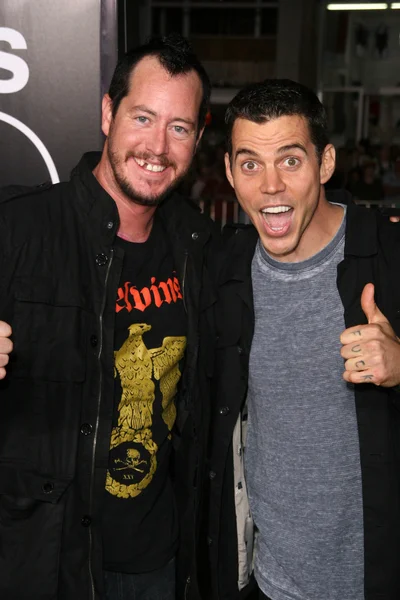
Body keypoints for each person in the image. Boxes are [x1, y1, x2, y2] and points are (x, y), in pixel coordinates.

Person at [0, 34, 218, 600]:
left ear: (197, 137)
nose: (158, 146)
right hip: (40, 562)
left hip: (155, 566)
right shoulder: (18, 229)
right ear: (107, 113)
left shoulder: (202, 249)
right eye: (143, 117)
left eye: (179, 127)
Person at [207, 79, 400, 600]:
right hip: (270, 584)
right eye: (250, 164)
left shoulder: (387, 253)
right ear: (229, 172)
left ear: (326, 163)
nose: (271, 186)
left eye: (290, 161)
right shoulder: (223, 272)